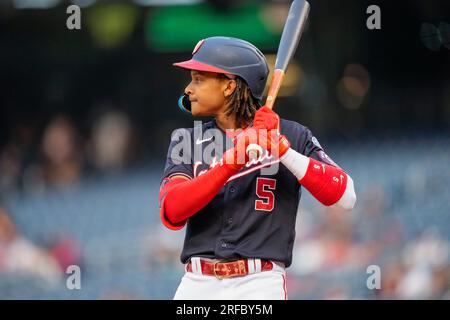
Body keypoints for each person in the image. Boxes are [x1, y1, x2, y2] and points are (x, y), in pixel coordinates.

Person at [158, 36, 356, 300]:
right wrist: (232, 161)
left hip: (259, 284)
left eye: (198, 79)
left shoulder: (292, 135)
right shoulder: (187, 139)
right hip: (197, 283)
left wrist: (282, 150)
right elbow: (172, 212)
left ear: (229, 86)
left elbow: (346, 196)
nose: (189, 89)